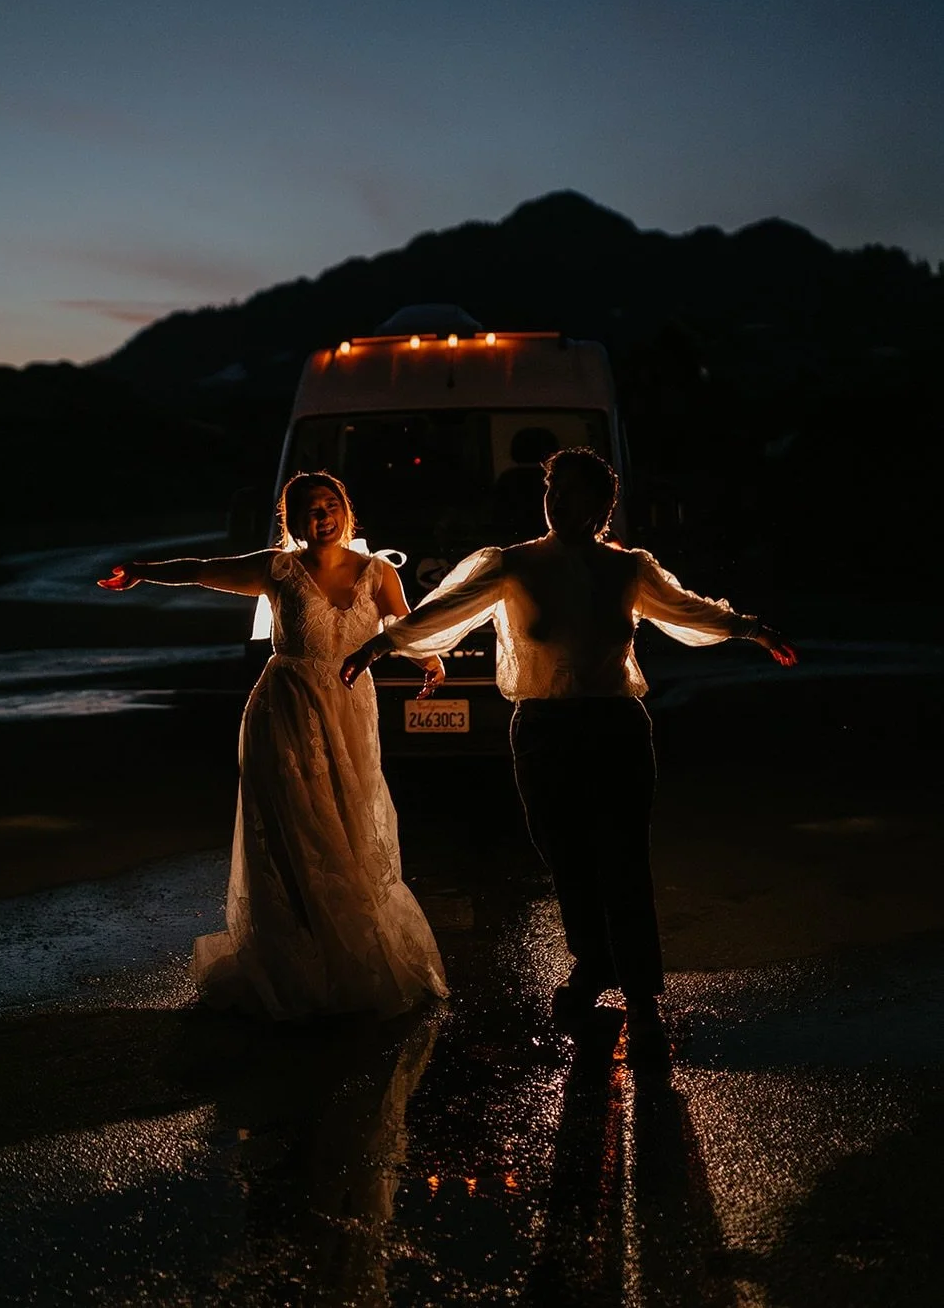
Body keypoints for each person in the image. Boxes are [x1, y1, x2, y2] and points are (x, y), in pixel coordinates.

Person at [341, 447, 797, 1052]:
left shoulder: (628, 569)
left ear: (602, 506)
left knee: (625, 859)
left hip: (615, 727)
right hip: (543, 728)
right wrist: (378, 647)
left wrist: (752, 629)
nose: (560, 506)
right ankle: (593, 964)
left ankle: (641, 999)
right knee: (568, 858)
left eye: (575, 496)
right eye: (554, 494)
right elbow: (442, 612)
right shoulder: (513, 566)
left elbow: (687, 611)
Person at [98, 471, 449, 1021]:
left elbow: (402, 628)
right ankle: (299, 954)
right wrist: (143, 571)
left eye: (330, 505)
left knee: (350, 822)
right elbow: (203, 571)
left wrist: (430, 659)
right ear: (293, 520)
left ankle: (355, 949)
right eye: (310, 509)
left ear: (346, 512)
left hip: (351, 711)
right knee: (297, 830)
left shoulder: (378, 572)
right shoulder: (278, 568)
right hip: (285, 709)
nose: (323, 517)